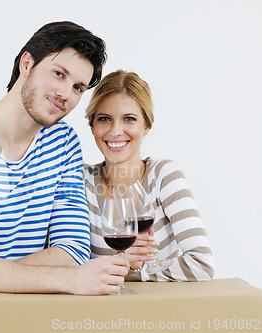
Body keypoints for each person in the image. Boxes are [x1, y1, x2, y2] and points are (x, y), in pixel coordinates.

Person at [0, 22, 131, 333]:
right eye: (59, 74)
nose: (65, 94)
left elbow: (72, 249)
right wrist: (73, 280)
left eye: (78, 88)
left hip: (24, 320)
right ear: (27, 64)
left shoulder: (63, 143)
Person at [83, 69, 214, 282]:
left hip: (155, 313)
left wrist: (135, 272)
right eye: (104, 119)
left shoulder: (164, 176)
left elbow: (201, 264)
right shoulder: (80, 181)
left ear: (147, 125)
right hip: (90, 314)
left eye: (129, 119)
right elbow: (63, 267)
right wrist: (123, 264)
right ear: (92, 126)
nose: (115, 131)